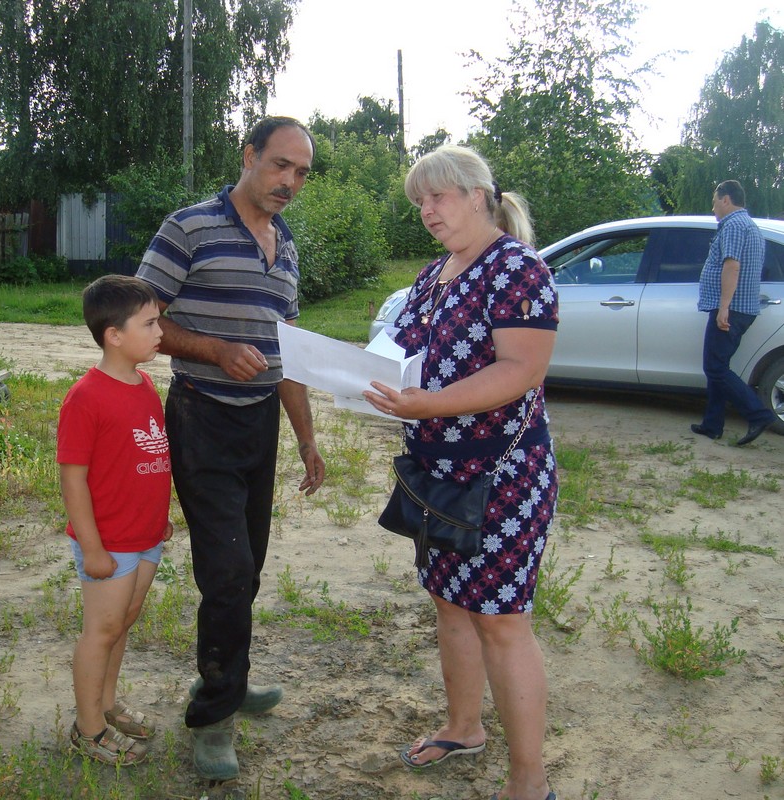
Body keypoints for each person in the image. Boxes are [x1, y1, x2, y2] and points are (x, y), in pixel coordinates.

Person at [362, 145, 558, 800]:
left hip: (499, 476)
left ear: (477, 195)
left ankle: (529, 782)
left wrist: (426, 404)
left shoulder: (518, 269)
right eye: (419, 200)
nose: (425, 211)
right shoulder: (435, 273)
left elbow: (518, 371)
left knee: (500, 619)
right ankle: (463, 726)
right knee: (449, 601)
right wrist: (362, 376)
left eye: (436, 197)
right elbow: (405, 347)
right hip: (436, 470)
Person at [135, 115, 326, 781]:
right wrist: (213, 348)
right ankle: (212, 717)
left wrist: (305, 438)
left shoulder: (287, 244)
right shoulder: (189, 227)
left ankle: (231, 679)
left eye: (300, 173)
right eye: (279, 165)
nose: (289, 182)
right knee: (226, 572)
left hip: (259, 426)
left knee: (248, 567)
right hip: (201, 415)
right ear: (248, 156)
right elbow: (136, 323)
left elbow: (289, 351)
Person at [57, 274, 174, 766]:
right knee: (101, 630)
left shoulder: (144, 383)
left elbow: (146, 457)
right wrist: (94, 547)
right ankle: (88, 731)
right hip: (109, 542)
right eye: (149, 323)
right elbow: (73, 480)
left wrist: (159, 519)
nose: (160, 331)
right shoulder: (86, 397)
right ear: (114, 335)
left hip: (145, 536)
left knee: (123, 621)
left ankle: (105, 706)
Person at [691, 180, 774, 445]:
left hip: (731, 308)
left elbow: (732, 266)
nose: (713, 207)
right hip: (741, 307)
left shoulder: (735, 226)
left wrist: (724, 306)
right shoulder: (749, 225)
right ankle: (712, 424)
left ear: (726, 199)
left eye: (715, 201)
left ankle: (758, 414)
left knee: (714, 367)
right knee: (719, 366)